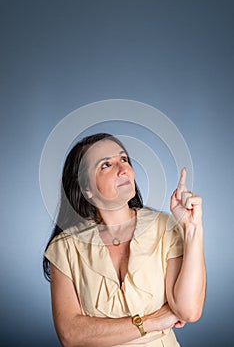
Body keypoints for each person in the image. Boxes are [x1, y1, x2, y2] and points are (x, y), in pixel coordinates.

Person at [43, 133, 206, 347]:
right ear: (87, 189)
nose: (122, 170)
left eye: (124, 159)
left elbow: (188, 311)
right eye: (105, 165)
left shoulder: (164, 227)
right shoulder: (65, 247)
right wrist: (151, 322)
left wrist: (192, 229)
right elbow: (70, 335)